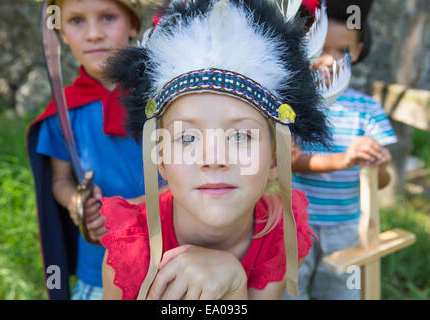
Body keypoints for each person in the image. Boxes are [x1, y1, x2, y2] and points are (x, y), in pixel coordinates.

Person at [99, 0, 331, 300]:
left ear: (277, 157)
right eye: (187, 138)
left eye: (241, 136)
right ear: (161, 160)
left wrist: (234, 285)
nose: (213, 159)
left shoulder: (280, 235)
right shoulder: (131, 249)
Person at [27, 0, 158, 300]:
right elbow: (60, 180)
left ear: (133, 25)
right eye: (76, 21)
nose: (93, 34)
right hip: (100, 269)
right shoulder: (64, 112)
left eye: (108, 17)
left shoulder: (163, 98)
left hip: (169, 257)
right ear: (60, 32)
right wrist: (76, 202)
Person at [285, 0, 398, 300]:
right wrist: (345, 159)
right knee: (287, 292)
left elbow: (382, 180)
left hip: (348, 230)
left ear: (357, 52)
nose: (329, 61)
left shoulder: (368, 110)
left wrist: (379, 164)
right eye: (319, 50)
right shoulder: (293, 106)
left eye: (342, 51)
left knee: (342, 294)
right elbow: (291, 159)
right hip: (295, 225)